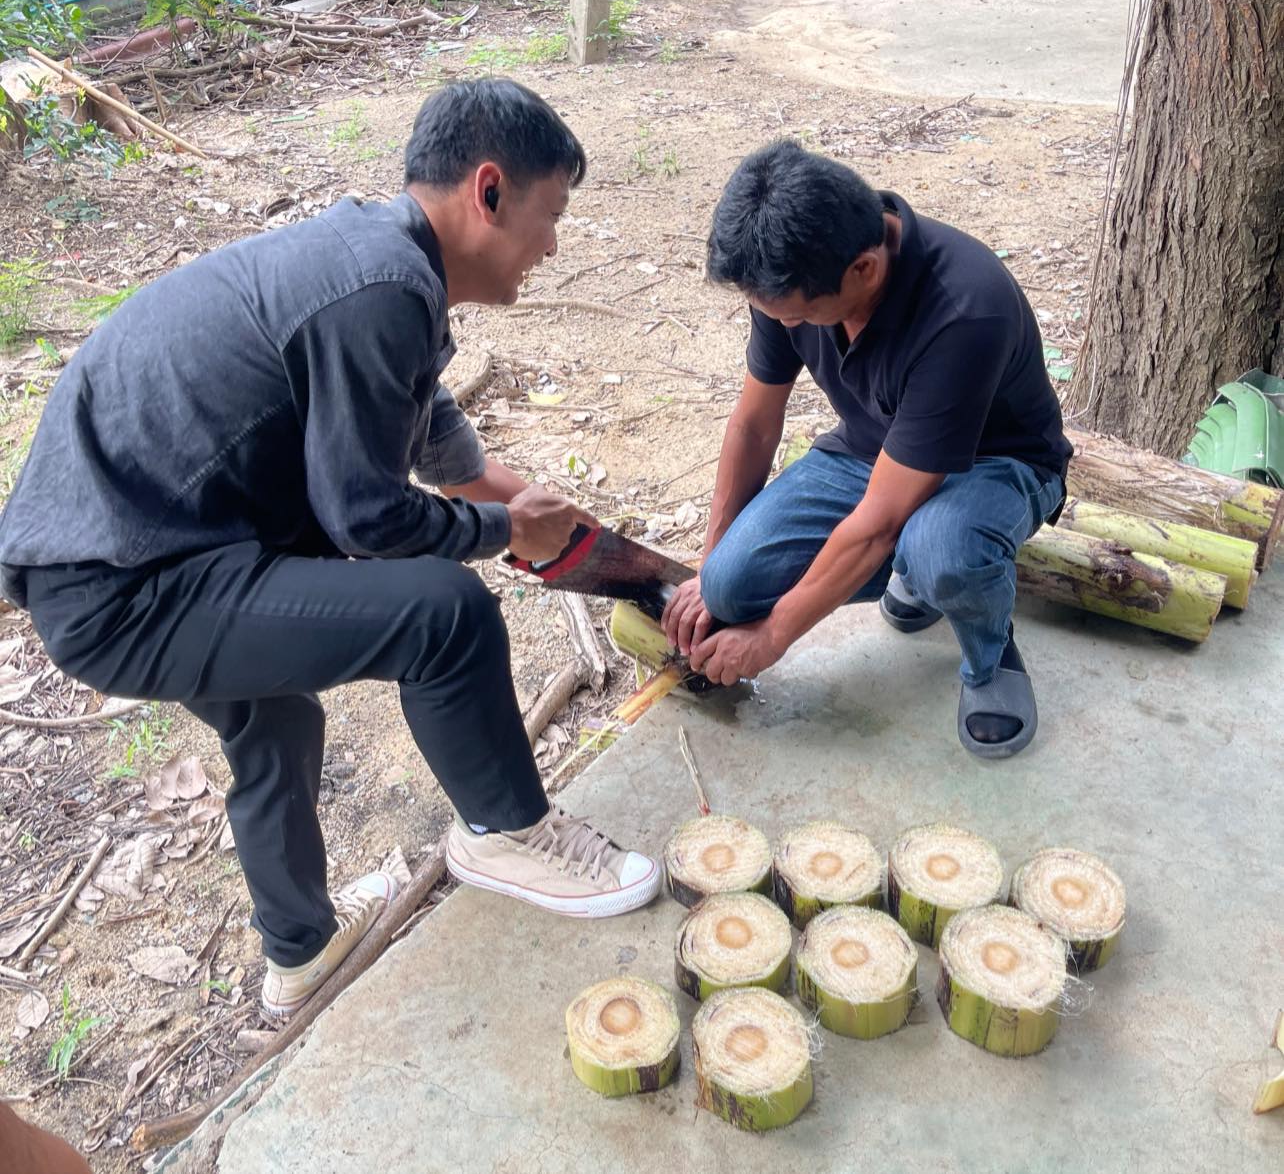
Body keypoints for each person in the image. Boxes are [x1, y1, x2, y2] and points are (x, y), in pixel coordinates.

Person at [0, 79, 661, 1019]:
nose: (552, 245)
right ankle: (506, 832)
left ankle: (300, 951)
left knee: (276, 719)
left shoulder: (382, 263)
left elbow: (441, 446)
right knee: (446, 613)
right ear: (489, 192)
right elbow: (366, 520)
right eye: (549, 215)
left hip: (143, 552)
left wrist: (576, 540)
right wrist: (500, 535)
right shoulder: (384, 288)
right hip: (129, 586)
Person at [663, 140, 1071, 759]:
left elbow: (878, 524)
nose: (786, 324)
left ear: (864, 269)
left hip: (997, 463)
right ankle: (914, 574)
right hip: (872, 453)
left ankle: (990, 656)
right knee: (727, 585)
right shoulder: (789, 273)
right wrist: (710, 564)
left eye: (798, 317)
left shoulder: (964, 310)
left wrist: (772, 637)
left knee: (940, 549)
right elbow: (752, 425)